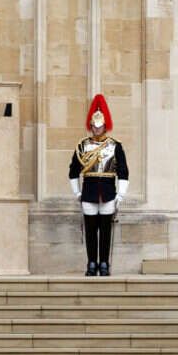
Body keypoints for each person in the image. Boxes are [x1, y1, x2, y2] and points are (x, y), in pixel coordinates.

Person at [70, 93, 129, 276]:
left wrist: (121, 195)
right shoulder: (82, 146)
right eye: (94, 126)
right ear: (91, 126)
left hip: (108, 192)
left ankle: (104, 263)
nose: (97, 129)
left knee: (105, 230)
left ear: (105, 126)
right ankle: (91, 263)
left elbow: (123, 172)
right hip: (89, 192)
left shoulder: (115, 146)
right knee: (90, 230)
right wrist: (77, 193)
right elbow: (73, 171)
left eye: (100, 125)